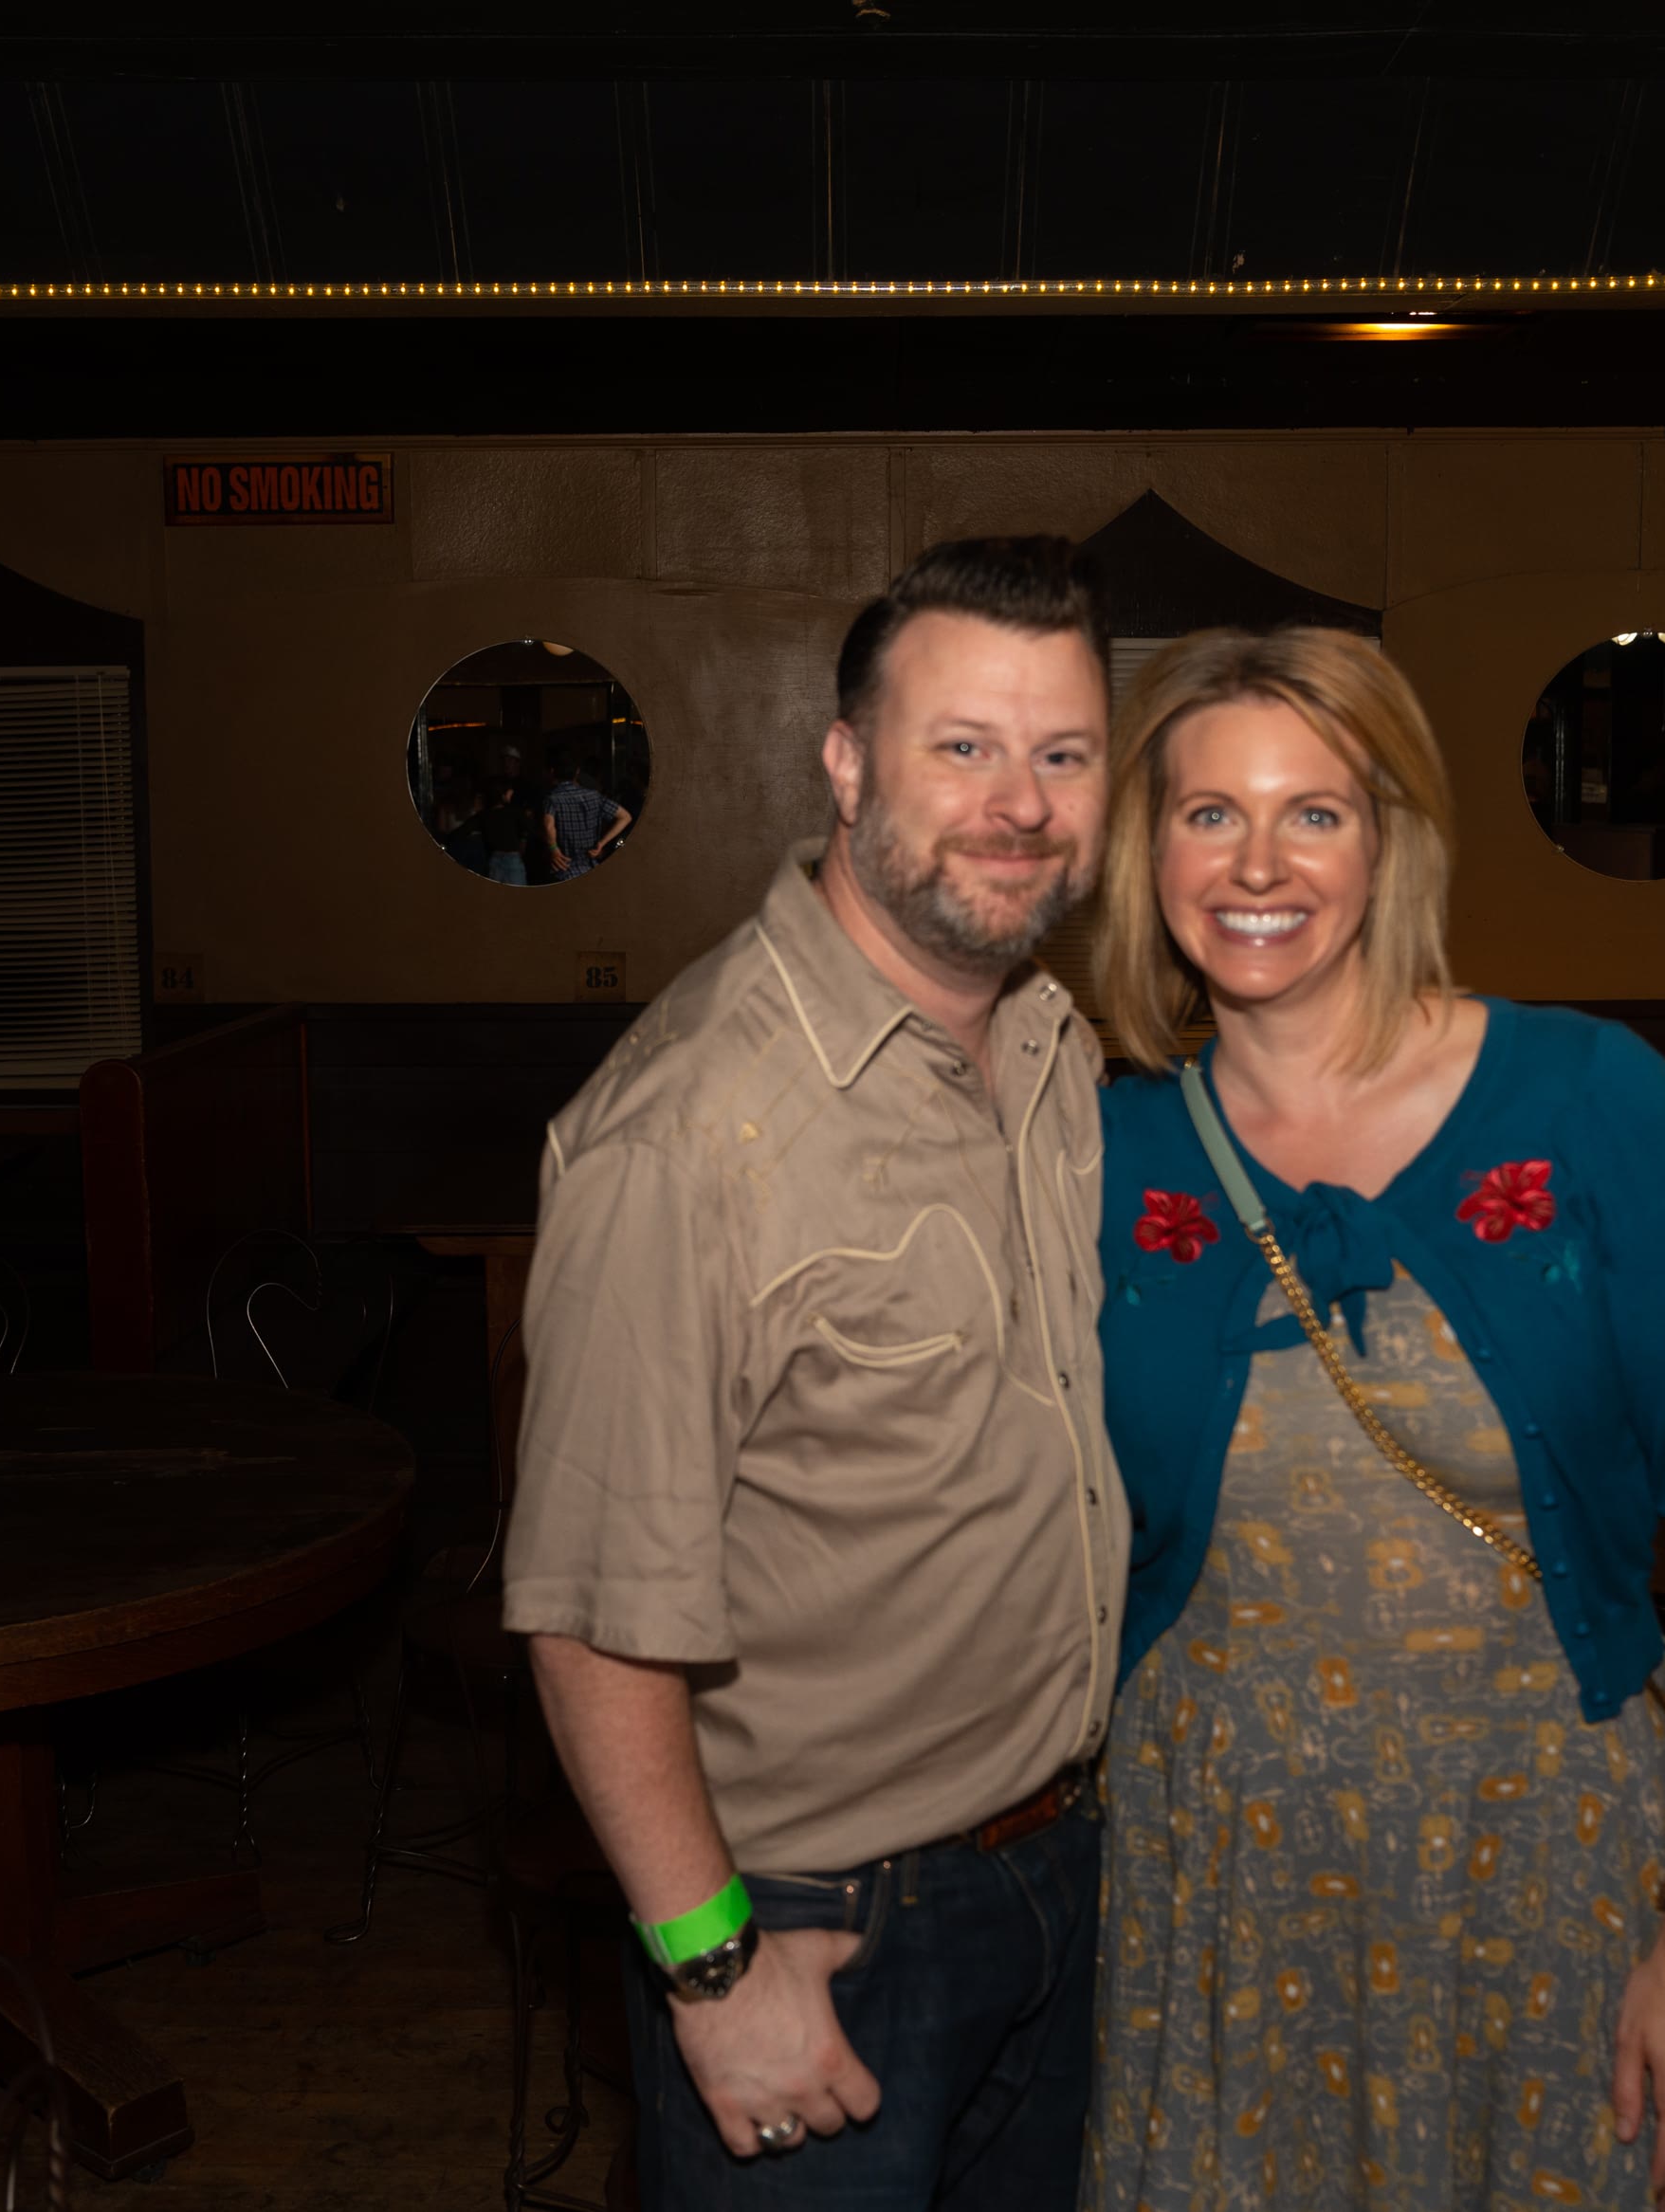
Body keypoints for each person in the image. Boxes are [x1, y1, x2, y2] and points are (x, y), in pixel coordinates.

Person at [1082, 628, 1665, 2212]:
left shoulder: (1593, 1100)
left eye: (1313, 812)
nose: (1257, 863)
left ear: (1391, 838)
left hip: (1547, 1855)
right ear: (1149, 852)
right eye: (1209, 813)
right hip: (1227, 1872)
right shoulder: (1102, 1150)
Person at [506, 538, 1127, 2209]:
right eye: (963, 746)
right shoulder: (690, 1127)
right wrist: (711, 1968)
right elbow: (588, 1613)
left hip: (1055, 1868)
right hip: (819, 1929)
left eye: (1063, 754)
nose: (1020, 803)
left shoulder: (1054, 1047)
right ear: (847, 762)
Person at [544, 759, 638, 878]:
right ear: (577, 772)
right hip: (591, 867)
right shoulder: (594, 796)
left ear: (552, 772)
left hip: (564, 869)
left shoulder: (552, 799)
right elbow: (625, 817)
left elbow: (548, 826)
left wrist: (553, 849)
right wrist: (602, 843)